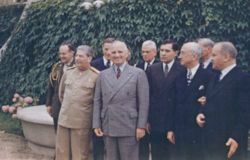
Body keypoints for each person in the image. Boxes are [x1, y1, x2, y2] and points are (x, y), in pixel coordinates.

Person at [92, 40, 149, 160]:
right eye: (113, 52)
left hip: (129, 126)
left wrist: (141, 126)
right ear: (109, 54)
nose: (117, 55)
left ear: (127, 53)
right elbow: (97, 100)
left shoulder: (138, 73)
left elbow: (144, 103)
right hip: (108, 125)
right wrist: (96, 124)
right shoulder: (102, 75)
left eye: (120, 52)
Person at [196, 42, 250, 160]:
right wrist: (201, 112)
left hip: (228, 142)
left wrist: (236, 137)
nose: (211, 59)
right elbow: (209, 100)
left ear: (226, 57)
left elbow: (245, 112)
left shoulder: (243, 78)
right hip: (210, 141)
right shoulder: (214, 77)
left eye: (214, 55)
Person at [167, 42, 212, 160]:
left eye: (182, 53)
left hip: (198, 135)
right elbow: (173, 105)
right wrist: (171, 129)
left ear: (194, 56)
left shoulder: (208, 77)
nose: (179, 56)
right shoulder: (179, 77)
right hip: (179, 133)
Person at [56, 45, 99, 160]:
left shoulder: (96, 76)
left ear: (89, 58)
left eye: (81, 56)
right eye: (76, 56)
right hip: (64, 118)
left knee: (79, 154)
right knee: (62, 152)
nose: (77, 58)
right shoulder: (68, 73)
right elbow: (61, 94)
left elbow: (97, 102)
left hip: (81, 122)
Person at [146, 39, 185, 160]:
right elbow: (147, 95)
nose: (163, 53)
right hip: (156, 121)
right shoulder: (152, 69)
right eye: (161, 50)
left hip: (174, 121)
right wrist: (146, 120)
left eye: (167, 51)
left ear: (176, 53)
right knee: (157, 154)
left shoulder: (182, 69)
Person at [91, 37, 115, 160]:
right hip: (99, 107)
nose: (108, 52)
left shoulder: (119, 65)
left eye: (111, 49)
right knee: (98, 143)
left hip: (114, 110)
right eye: (106, 49)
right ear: (102, 49)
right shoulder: (94, 64)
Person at [46, 42, 75, 131]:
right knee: (58, 133)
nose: (61, 56)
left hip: (72, 107)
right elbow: (51, 86)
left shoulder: (78, 66)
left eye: (64, 54)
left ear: (72, 52)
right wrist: (49, 104)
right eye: (60, 53)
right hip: (57, 106)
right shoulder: (57, 67)